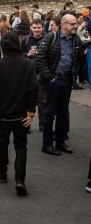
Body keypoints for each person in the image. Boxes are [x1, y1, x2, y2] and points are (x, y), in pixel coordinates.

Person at [0, 31, 37, 197]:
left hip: (2, 113)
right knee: (21, 146)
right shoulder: (28, 64)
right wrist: (30, 112)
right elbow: (32, 89)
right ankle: (20, 179)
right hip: (22, 114)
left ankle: (2, 173)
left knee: (2, 143)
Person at [35, 14, 82, 156]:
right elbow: (40, 58)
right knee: (49, 113)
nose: (75, 26)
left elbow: (77, 59)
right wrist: (50, 77)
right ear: (64, 24)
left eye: (75, 24)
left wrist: (74, 78)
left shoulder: (76, 39)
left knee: (63, 112)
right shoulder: (51, 37)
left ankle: (60, 141)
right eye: (73, 24)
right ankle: (47, 144)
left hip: (67, 81)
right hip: (53, 81)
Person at [21, 19, 46, 131]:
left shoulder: (48, 38)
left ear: (43, 28)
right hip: (27, 75)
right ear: (31, 28)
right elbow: (18, 55)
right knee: (26, 100)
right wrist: (27, 54)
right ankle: (26, 125)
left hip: (42, 74)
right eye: (34, 27)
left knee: (42, 101)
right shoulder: (25, 40)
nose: (36, 30)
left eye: (39, 27)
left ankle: (42, 124)